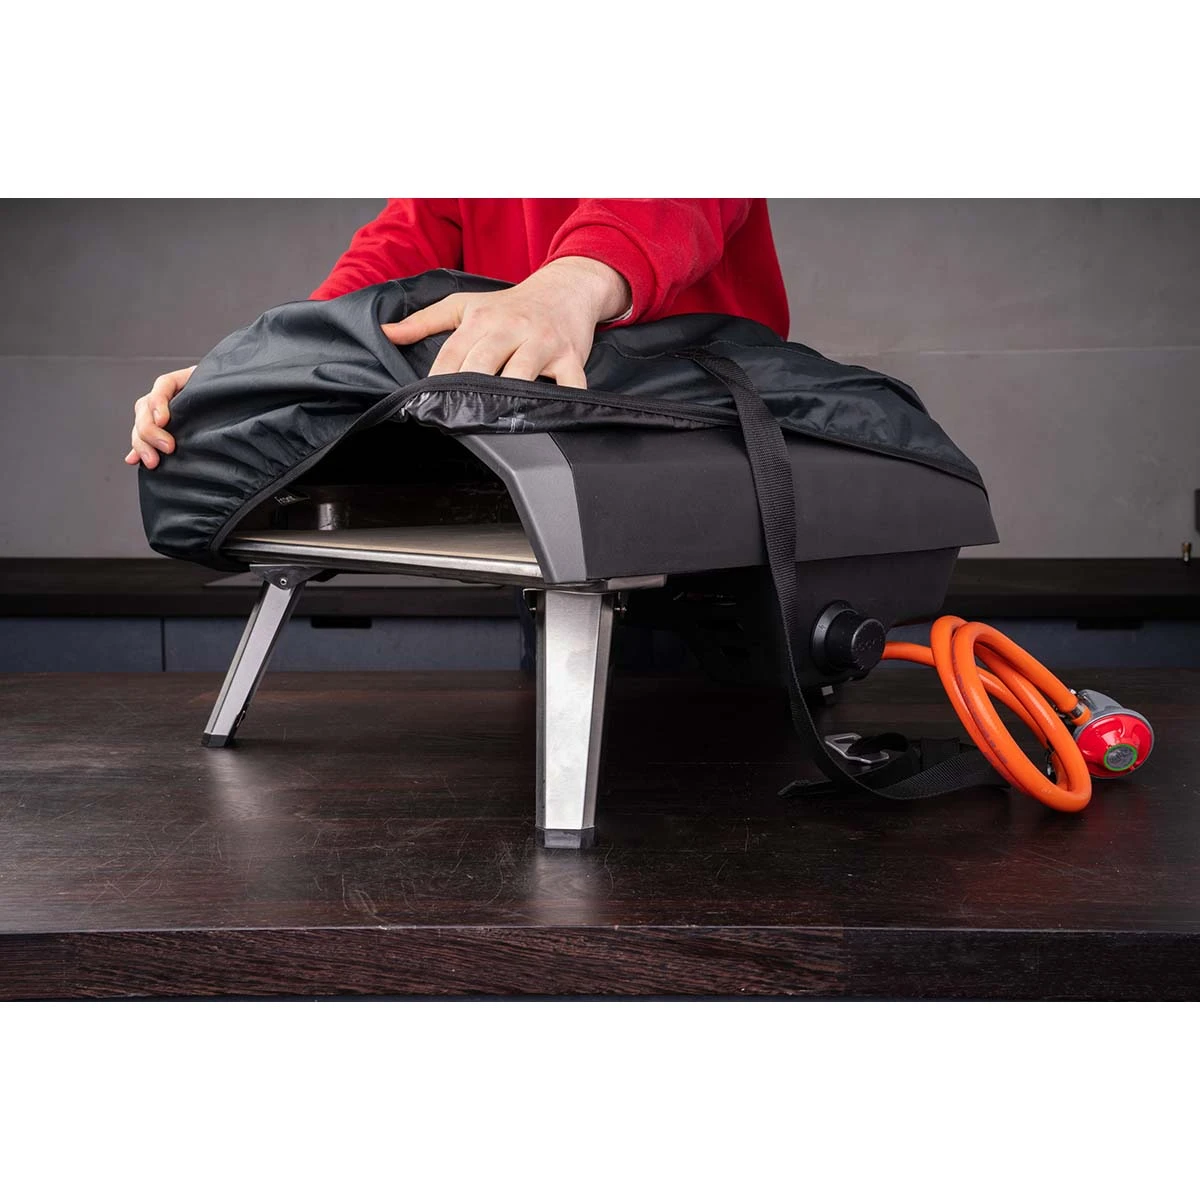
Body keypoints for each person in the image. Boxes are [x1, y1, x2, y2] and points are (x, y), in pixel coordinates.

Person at [124, 199, 789, 469]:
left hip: (709, 454)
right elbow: (391, 255)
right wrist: (260, 365)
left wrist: (571, 285)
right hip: (552, 466)